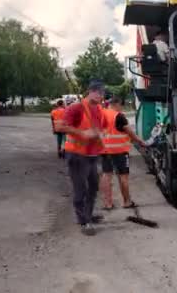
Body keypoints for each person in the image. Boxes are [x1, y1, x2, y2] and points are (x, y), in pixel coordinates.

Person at [58, 80, 107, 236]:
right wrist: (82, 134)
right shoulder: (76, 107)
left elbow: (101, 127)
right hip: (77, 155)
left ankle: (88, 215)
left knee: (93, 187)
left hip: (92, 155)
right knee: (81, 189)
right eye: (99, 92)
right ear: (90, 91)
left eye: (102, 93)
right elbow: (60, 126)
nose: (101, 95)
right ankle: (83, 221)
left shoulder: (98, 109)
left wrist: (100, 134)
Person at [100, 97, 146, 210]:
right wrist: (141, 142)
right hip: (119, 151)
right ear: (117, 104)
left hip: (105, 150)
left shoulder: (101, 113)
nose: (121, 108)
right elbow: (130, 133)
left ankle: (108, 203)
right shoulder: (119, 116)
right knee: (123, 177)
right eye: (121, 105)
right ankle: (127, 202)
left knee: (106, 176)